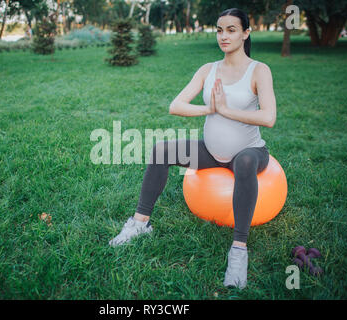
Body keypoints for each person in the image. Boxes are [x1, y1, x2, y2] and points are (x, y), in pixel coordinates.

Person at [109, 7, 277, 290]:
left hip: (249, 151)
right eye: (219, 30)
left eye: (231, 30)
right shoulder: (208, 70)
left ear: (246, 33)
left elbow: (269, 117)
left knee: (246, 162)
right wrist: (210, 108)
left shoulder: (259, 70)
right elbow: (176, 106)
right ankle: (140, 223)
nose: (223, 36)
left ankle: (238, 249)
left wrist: (226, 110)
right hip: (211, 152)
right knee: (162, 151)